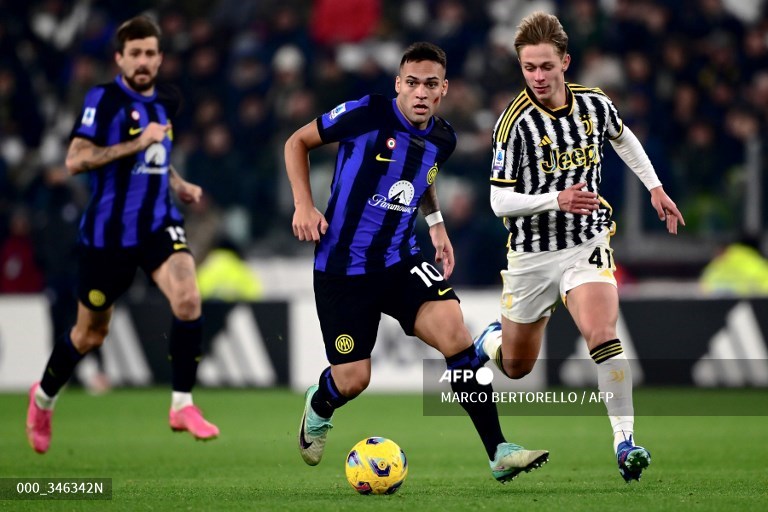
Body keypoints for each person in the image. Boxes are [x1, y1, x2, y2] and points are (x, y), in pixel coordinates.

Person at [284, 42, 548, 483]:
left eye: (429, 84)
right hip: (342, 268)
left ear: (443, 89)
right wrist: (303, 206)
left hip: (399, 258)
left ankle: (498, 451)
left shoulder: (444, 138)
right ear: (398, 85)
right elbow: (297, 142)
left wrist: (437, 223)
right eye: (411, 84)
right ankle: (320, 403)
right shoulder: (366, 113)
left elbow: (420, 178)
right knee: (352, 379)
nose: (420, 93)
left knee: (454, 333)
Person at [473, 12, 685, 483]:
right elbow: (497, 200)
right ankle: (490, 339)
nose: (538, 77)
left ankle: (625, 442)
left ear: (565, 62)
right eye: (529, 68)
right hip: (531, 254)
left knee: (602, 333)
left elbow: (623, 136)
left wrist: (653, 187)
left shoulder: (594, 104)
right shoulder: (514, 125)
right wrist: (557, 198)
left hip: (586, 241)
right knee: (516, 367)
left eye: (546, 66)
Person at [26, 16, 219, 454]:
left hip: (158, 223)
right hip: (108, 237)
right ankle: (42, 399)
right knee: (89, 335)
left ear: (161, 57)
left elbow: (156, 151)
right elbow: (75, 160)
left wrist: (177, 183)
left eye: (151, 53)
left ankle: (182, 404)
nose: (144, 61)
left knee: (188, 298)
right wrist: (136, 142)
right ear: (119, 58)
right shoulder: (104, 99)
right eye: (135, 53)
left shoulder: (167, 100)